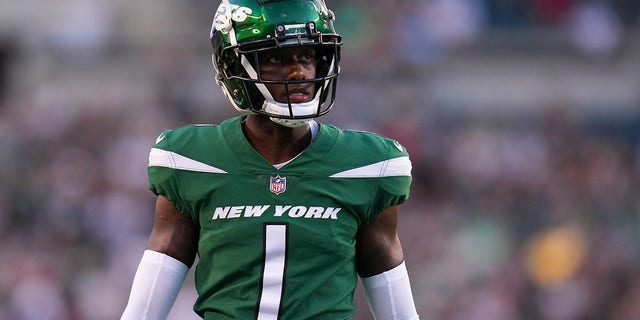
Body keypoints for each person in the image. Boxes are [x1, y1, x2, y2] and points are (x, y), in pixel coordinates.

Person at [121, 0, 419, 319]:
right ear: (234, 67)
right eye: (277, 58)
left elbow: (393, 300)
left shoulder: (369, 165)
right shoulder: (190, 159)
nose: (299, 72)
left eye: (306, 55)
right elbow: (146, 305)